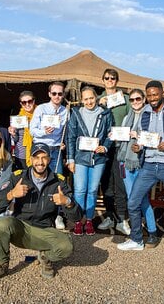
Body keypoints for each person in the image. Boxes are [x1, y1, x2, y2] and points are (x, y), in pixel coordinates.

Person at [117, 80, 164, 267]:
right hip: (149, 165)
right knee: (133, 201)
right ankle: (136, 240)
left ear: (162, 93)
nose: (152, 98)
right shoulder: (144, 113)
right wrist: (138, 147)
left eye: (155, 94)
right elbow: (143, 139)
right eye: (149, 95)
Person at [0, 143, 82, 284]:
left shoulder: (59, 182)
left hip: (45, 231)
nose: (40, 162)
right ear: (30, 159)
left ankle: (46, 257)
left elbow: (77, 218)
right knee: (1, 223)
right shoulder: (18, 177)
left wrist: (67, 202)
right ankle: (1, 265)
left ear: (49, 159)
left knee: (67, 246)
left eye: (44, 157)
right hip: (21, 229)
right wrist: (11, 194)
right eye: (36, 157)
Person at [66, 86, 113, 236]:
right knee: (80, 190)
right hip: (80, 158)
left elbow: (110, 134)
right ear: (81, 100)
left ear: (96, 98)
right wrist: (71, 159)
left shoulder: (105, 113)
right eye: (85, 99)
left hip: (98, 159)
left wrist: (104, 147)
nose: (89, 101)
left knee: (92, 190)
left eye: (91, 98)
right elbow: (71, 137)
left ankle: (90, 221)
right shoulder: (76, 113)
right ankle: (78, 221)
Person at [114, 88, 158, 246]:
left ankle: (151, 231)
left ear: (144, 99)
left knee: (141, 198)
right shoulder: (127, 117)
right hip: (124, 161)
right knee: (132, 198)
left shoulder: (151, 116)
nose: (135, 102)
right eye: (131, 100)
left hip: (141, 162)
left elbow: (154, 139)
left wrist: (138, 136)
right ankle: (138, 233)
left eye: (138, 99)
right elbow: (121, 140)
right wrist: (115, 136)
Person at [29, 81, 68, 230]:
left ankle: (57, 215)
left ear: (63, 95)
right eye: (54, 93)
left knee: (57, 181)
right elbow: (32, 130)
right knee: (38, 180)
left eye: (60, 94)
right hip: (41, 148)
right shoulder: (41, 108)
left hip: (57, 149)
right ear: (49, 94)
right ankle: (36, 212)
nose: (57, 96)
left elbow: (67, 131)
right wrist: (44, 131)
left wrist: (63, 142)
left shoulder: (66, 111)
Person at [97, 68, 131, 236]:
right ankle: (109, 216)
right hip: (104, 148)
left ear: (117, 80)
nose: (110, 80)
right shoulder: (97, 99)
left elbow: (132, 119)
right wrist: (100, 105)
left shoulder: (125, 99)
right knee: (106, 184)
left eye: (113, 78)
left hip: (120, 147)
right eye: (107, 78)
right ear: (102, 80)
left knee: (120, 184)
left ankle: (122, 219)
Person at [8, 90, 36, 171]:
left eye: (30, 101)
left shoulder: (39, 115)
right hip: (21, 155)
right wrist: (13, 134)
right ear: (21, 104)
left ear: (33, 101)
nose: (27, 104)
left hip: (37, 153)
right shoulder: (17, 118)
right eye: (24, 102)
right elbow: (15, 140)